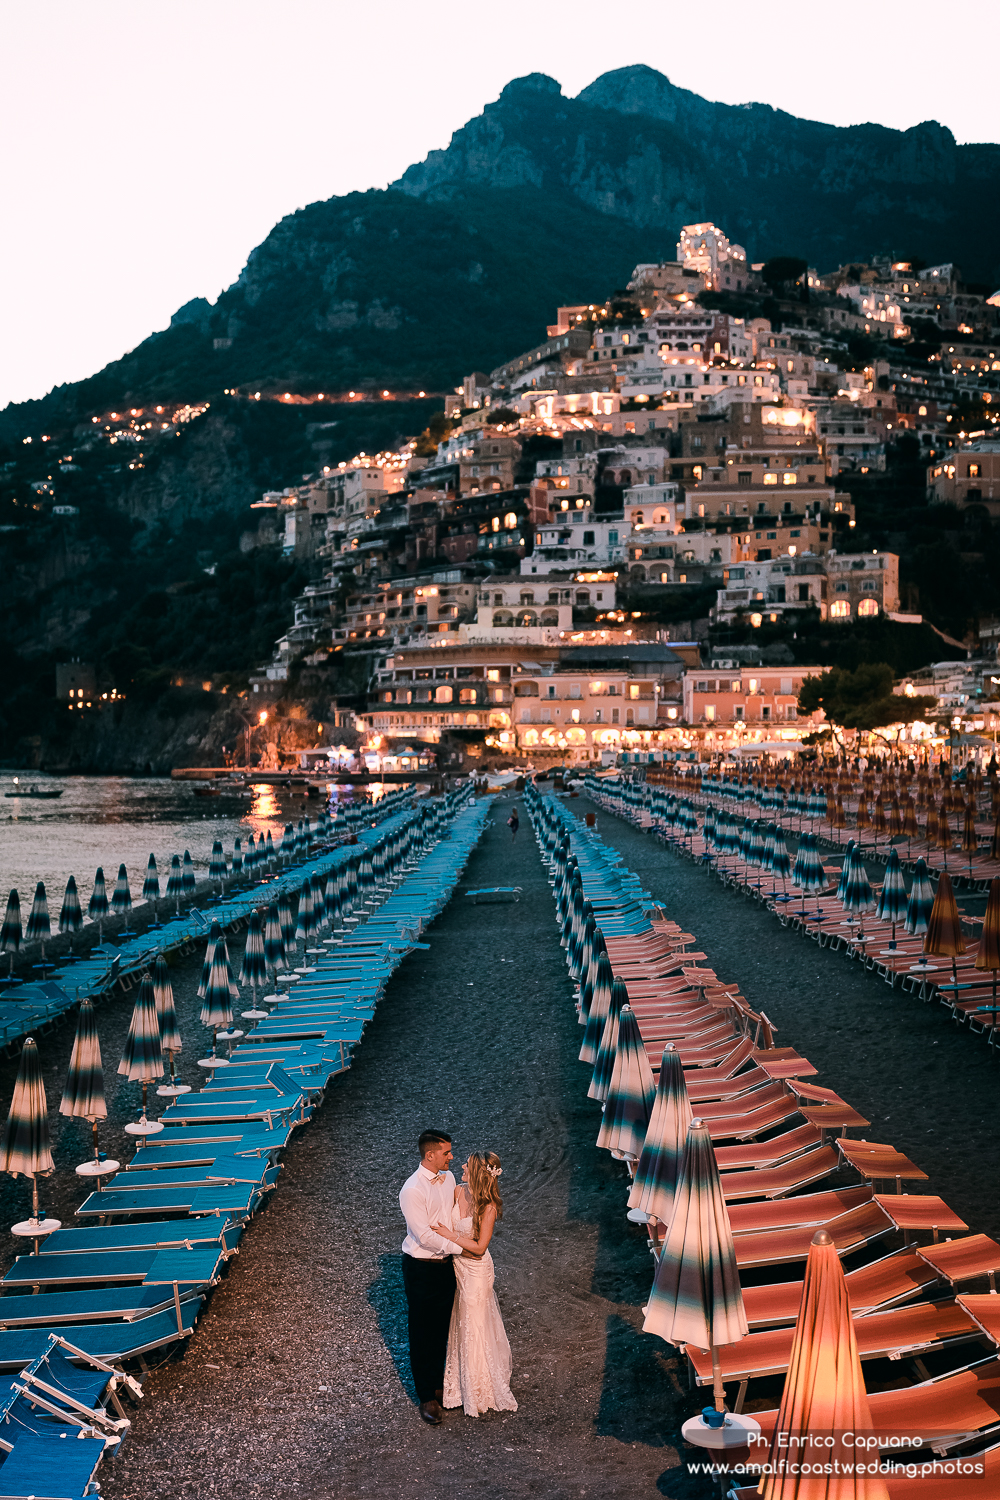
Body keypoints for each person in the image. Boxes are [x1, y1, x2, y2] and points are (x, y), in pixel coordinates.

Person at [431, 1150, 517, 1418]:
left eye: (467, 1165)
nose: (462, 1167)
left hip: (477, 1270)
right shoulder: (457, 1191)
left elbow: (480, 1248)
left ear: (478, 1173)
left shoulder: (488, 1206)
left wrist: (450, 1235)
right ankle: (458, 1383)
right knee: (461, 1323)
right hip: (459, 1267)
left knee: (472, 1323)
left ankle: (478, 1389)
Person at [399, 1130, 459, 1426]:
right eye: (447, 1153)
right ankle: (426, 1396)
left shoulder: (448, 1179)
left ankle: (439, 1383)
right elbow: (423, 1235)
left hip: (447, 1265)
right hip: (421, 1267)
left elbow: (450, 1217)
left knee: (443, 1326)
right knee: (422, 1332)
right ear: (430, 1155)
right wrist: (461, 1248)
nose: (451, 1157)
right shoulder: (412, 1190)